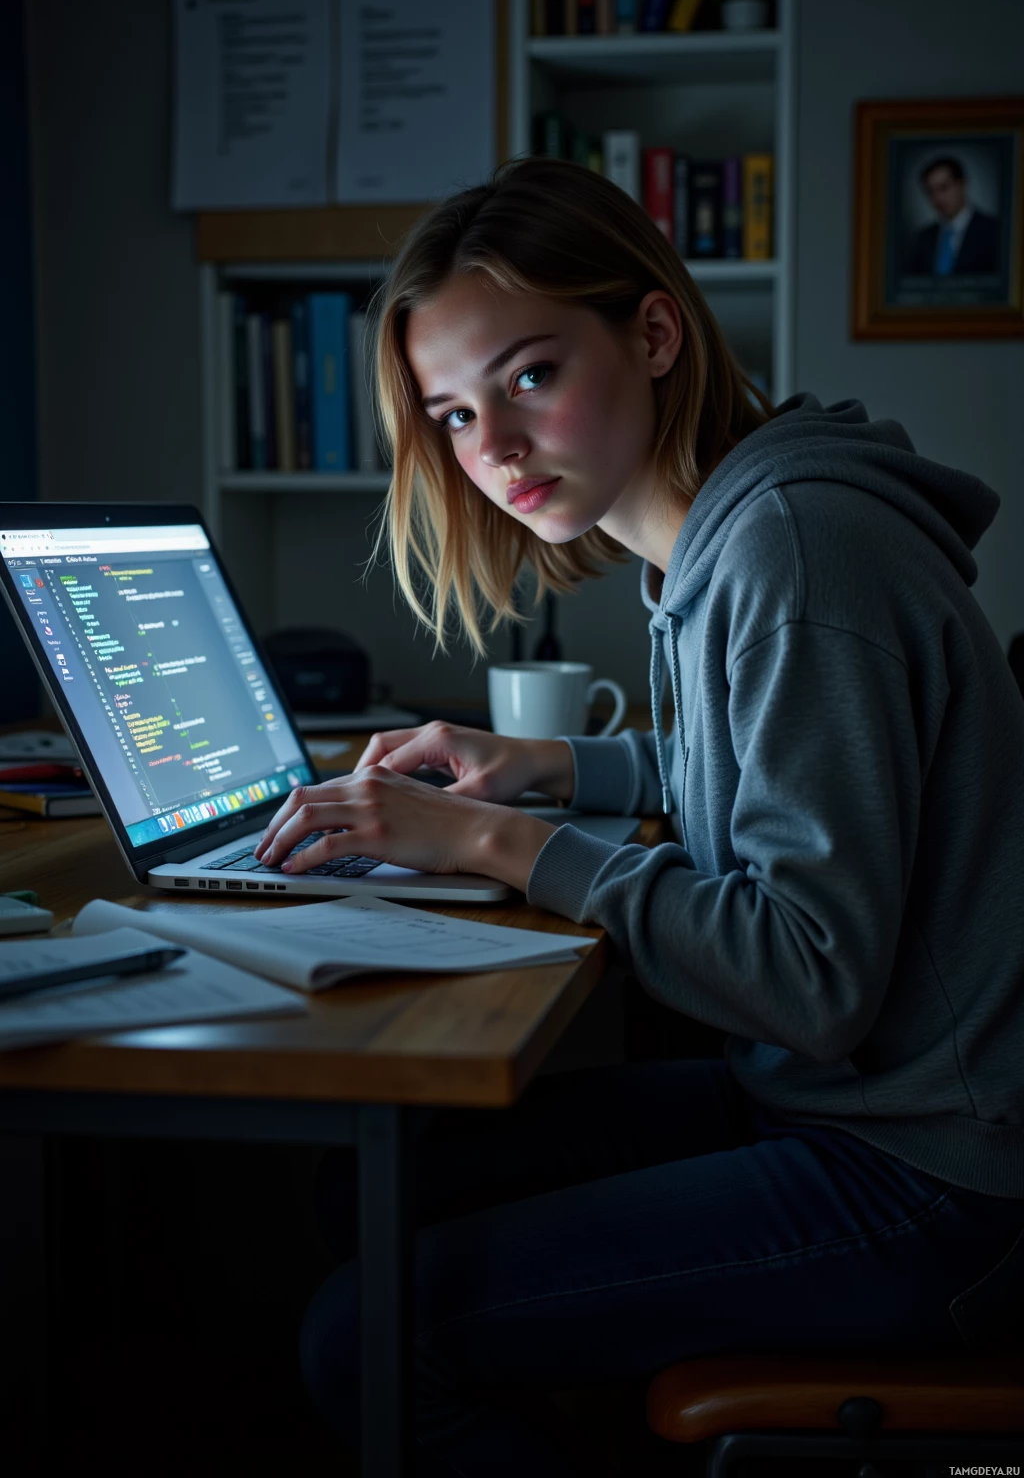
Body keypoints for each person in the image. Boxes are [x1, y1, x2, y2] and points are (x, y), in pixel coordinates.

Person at [254, 158, 1024, 1476]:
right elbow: (780, 768)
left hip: (941, 1177)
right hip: (845, 1106)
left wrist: (493, 840)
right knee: (370, 1187)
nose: (490, 448)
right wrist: (553, 767)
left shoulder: (793, 547)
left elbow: (811, 973)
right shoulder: (728, 529)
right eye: (449, 414)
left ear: (654, 332)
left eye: (529, 374)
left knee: (362, 1335)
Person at [907, 154, 1000, 275]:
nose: (937, 198)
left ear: (962, 184)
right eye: (930, 191)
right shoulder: (923, 239)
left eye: (944, 188)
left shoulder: (993, 231)